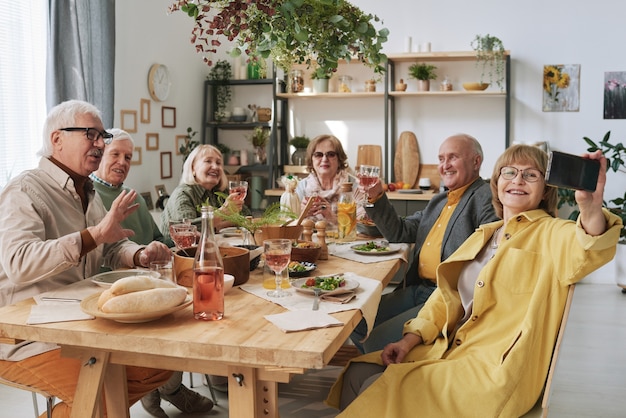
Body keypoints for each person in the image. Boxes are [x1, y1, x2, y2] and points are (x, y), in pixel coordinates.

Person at [328, 144, 622, 417]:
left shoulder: (552, 233)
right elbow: (444, 298)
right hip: (452, 349)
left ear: (545, 190)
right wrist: (408, 341)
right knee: (355, 373)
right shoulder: (485, 234)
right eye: (510, 172)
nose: (518, 180)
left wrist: (590, 207)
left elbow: (588, 247)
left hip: (493, 371)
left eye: (530, 175)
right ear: (497, 183)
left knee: (378, 390)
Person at [0, 100, 175, 417]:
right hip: (24, 335)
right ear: (57, 139)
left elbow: (106, 248)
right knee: (102, 397)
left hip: (80, 322)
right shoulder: (24, 190)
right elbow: (20, 263)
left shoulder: (89, 193)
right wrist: (93, 235)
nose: (100, 144)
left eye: (102, 135)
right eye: (90, 134)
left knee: (158, 366)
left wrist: (139, 254)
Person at [91, 129, 213, 417]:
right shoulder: (92, 197)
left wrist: (180, 239)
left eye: (128, 157)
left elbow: (159, 239)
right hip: (112, 288)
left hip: (150, 279)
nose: (122, 162)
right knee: (176, 315)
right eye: (115, 155)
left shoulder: (133, 197)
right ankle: (164, 389)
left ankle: (162, 389)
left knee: (190, 306)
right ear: (98, 157)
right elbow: (104, 257)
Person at [351, 133, 498, 353]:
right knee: (356, 321)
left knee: (376, 339)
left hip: (445, 297)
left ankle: (390, 374)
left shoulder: (485, 196)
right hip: (418, 289)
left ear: (476, 161)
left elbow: (488, 255)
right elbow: (398, 231)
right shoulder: (439, 200)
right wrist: (376, 195)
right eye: (440, 159)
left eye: (452, 157)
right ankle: (382, 370)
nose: (444, 165)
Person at [160, 144, 249, 243]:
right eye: (208, 161)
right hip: (180, 254)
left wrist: (220, 223)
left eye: (219, 163)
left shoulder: (220, 192)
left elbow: (247, 218)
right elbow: (187, 231)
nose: (215, 166)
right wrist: (222, 214)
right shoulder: (183, 194)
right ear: (193, 168)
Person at [295, 134, 365, 222]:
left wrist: (331, 217)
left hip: (344, 236)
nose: (324, 159)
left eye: (331, 154)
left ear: (339, 160)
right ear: (311, 160)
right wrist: (301, 214)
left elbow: (363, 225)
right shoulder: (302, 186)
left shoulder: (355, 185)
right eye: (318, 155)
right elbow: (289, 223)